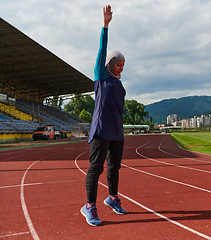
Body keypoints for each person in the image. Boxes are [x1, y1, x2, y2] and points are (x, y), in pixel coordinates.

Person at [81, 5, 126, 226]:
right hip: (101, 130)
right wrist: (105, 26)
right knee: (96, 168)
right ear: (109, 64)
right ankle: (90, 206)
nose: (121, 69)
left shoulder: (118, 83)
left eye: (123, 65)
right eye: (118, 65)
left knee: (114, 167)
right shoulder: (101, 77)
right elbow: (102, 48)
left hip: (117, 131)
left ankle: (113, 198)